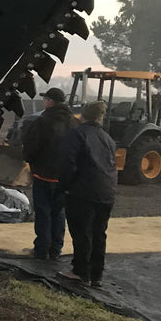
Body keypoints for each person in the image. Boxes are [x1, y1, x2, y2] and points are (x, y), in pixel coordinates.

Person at [58, 100, 117, 288]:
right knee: (99, 233)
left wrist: (66, 186)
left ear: (83, 115)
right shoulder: (107, 138)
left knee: (82, 233)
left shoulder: (77, 135)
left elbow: (68, 163)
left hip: (83, 192)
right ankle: (96, 274)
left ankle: (80, 271)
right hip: (106, 192)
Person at [22, 87, 77, 260]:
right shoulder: (74, 123)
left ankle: (41, 249)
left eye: (45, 99)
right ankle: (55, 249)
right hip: (65, 179)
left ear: (50, 102)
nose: (44, 102)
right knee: (59, 213)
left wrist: (32, 163)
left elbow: (30, 148)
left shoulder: (41, 122)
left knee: (43, 212)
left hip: (43, 176)